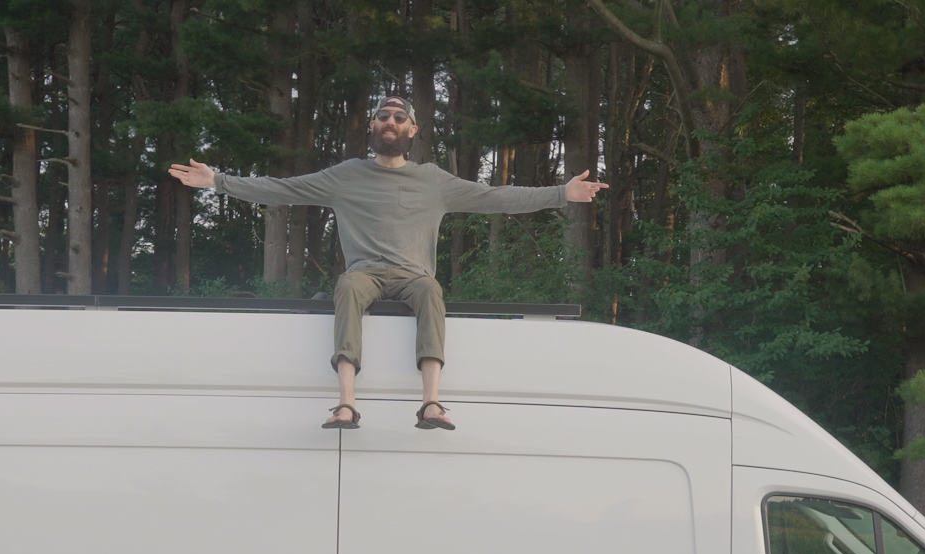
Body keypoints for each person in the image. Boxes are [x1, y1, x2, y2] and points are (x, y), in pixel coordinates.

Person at [168, 96, 606, 431]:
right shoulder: (345, 177)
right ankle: (346, 404)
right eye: (383, 115)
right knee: (348, 286)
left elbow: (495, 197)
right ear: (372, 126)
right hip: (367, 274)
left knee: (433, 290)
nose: (390, 121)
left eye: (399, 117)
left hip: (416, 277)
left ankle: (431, 403)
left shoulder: (434, 181)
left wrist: (560, 193)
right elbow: (282, 189)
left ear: (412, 129)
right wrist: (219, 182)